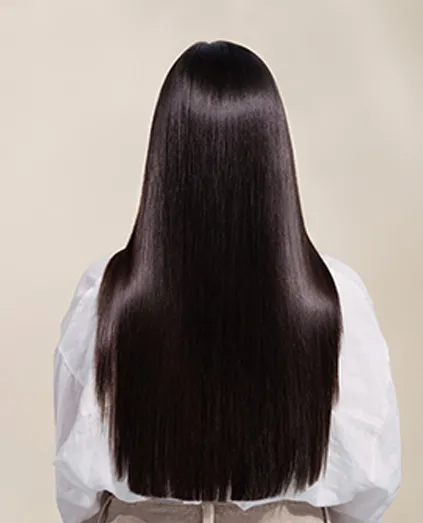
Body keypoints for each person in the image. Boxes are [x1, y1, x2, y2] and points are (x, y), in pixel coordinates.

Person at [54, 41, 401, 523]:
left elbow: (76, 486)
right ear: (274, 153)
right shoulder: (335, 298)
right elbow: (371, 479)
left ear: (166, 155)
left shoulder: (108, 293)